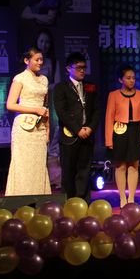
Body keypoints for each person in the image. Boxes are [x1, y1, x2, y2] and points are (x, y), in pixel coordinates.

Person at [53, 52, 101, 201]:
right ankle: (69, 202)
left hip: (87, 135)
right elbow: (62, 112)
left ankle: (83, 203)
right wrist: (78, 129)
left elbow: (97, 110)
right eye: (79, 67)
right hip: (70, 136)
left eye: (84, 67)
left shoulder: (91, 86)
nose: (82, 70)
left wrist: (90, 128)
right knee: (69, 171)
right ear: (68, 68)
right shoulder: (61, 87)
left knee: (84, 171)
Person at [4, 47, 51, 196]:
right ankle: (20, 200)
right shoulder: (20, 78)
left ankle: (39, 200)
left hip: (40, 128)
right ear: (26, 60)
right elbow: (10, 105)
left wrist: (48, 129)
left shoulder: (44, 79)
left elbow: (45, 107)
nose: (40, 62)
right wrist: (35, 110)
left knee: (38, 165)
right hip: (23, 128)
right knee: (23, 165)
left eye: (41, 59)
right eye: (37, 59)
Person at [104, 65, 140, 207]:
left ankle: (131, 198)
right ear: (121, 80)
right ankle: (122, 197)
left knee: (134, 165)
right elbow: (109, 118)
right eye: (128, 78)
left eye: (133, 78)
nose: (132, 81)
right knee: (120, 166)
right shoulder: (113, 95)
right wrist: (109, 140)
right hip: (119, 131)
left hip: (135, 131)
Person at [34, 28, 63, 189]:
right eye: (41, 41)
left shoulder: (53, 61)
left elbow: (57, 84)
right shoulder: (30, 62)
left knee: (53, 136)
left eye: (47, 42)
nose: (44, 45)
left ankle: (54, 178)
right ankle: (37, 179)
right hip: (34, 103)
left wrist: (45, 87)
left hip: (49, 101)